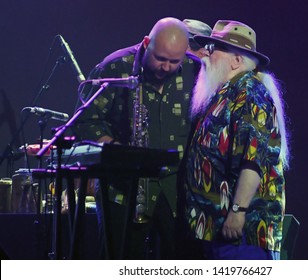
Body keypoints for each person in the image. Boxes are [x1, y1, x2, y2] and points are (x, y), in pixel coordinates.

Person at [71, 17, 200, 259]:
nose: (166, 67)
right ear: (146, 43)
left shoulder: (196, 70)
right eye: (160, 58)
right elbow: (85, 120)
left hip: (176, 187)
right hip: (122, 186)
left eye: (175, 61)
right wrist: (115, 150)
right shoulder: (115, 67)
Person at [181, 20, 290, 260]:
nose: (206, 55)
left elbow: (253, 160)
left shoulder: (249, 91)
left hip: (241, 234)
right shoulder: (226, 92)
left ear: (236, 60)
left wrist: (238, 211)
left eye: (214, 49)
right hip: (216, 229)